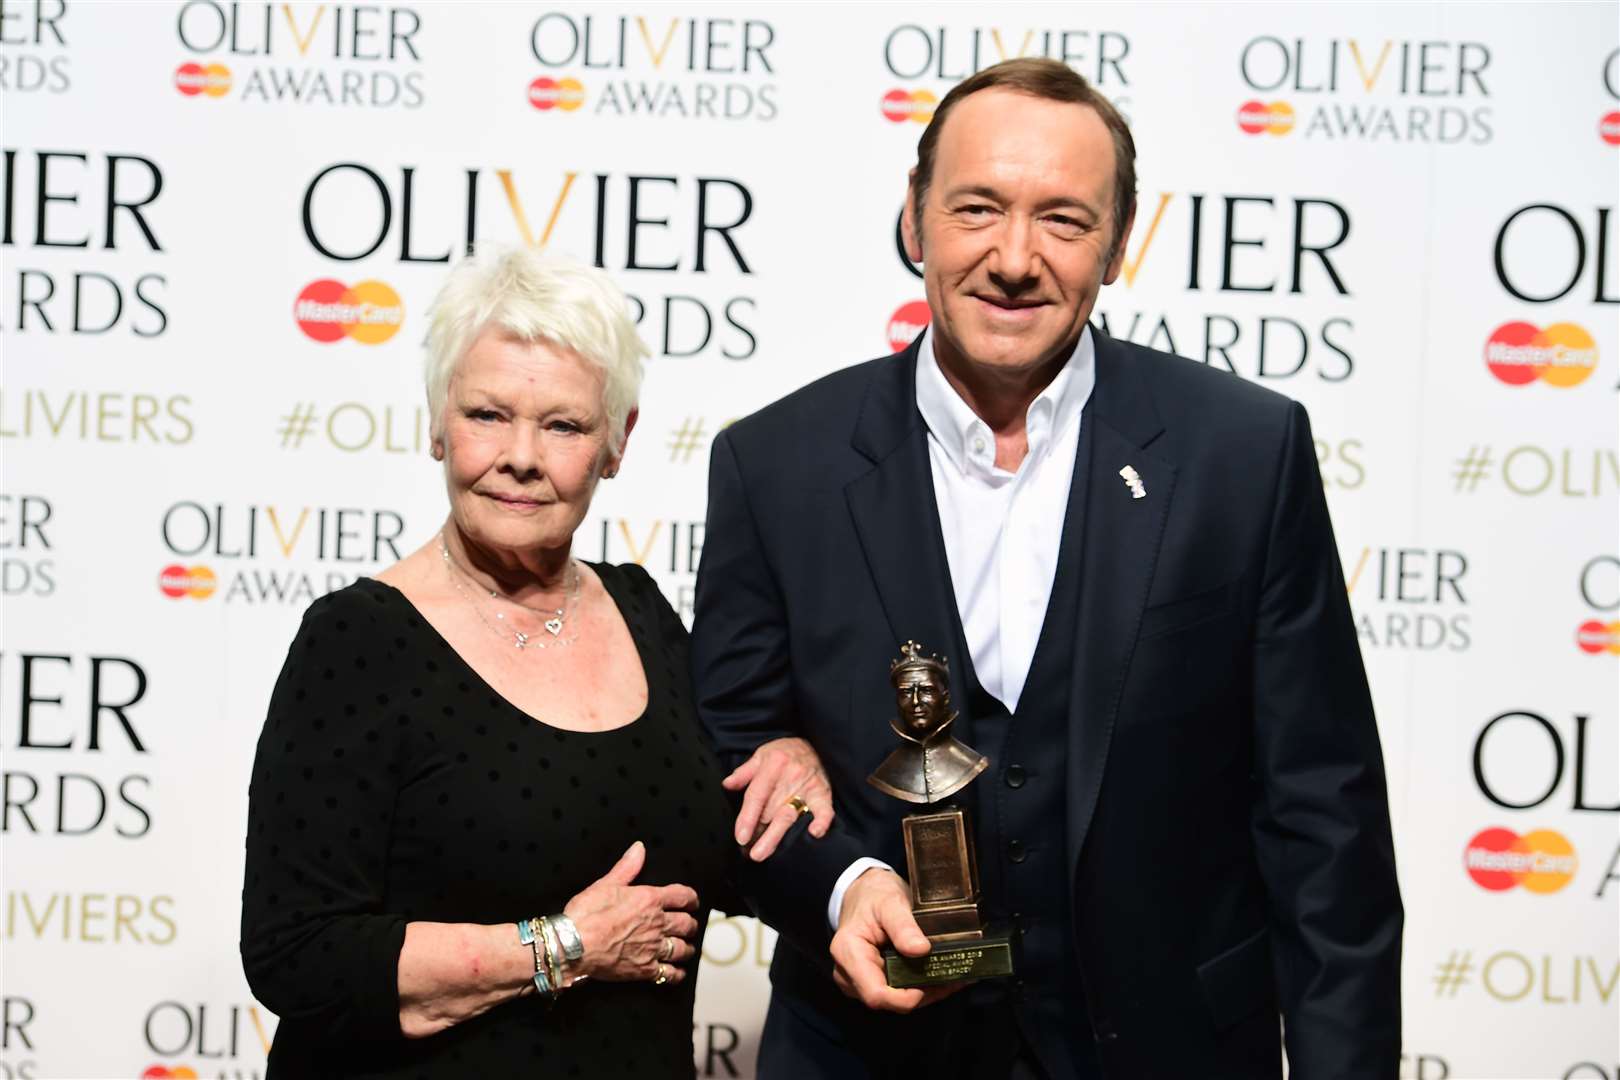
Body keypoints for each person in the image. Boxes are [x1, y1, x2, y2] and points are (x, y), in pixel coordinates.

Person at [692, 58, 1402, 1079]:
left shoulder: (1244, 455)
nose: (1015, 258)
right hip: (868, 1053)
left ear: (1117, 245)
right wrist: (839, 883)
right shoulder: (775, 464)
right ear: (915, 218)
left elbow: (1323, 814)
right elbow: (731, 747)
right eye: (978, 207)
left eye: (1064, 221)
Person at [239, 248, 827, 1079]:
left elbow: (726, 841)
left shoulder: (643, 611)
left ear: (616, 443)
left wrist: (790, 752)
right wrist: (566, 947)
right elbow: (294, 953)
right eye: (487, 415)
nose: (521, 456)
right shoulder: (358, 642)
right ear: (436, 423)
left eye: (563, 425)